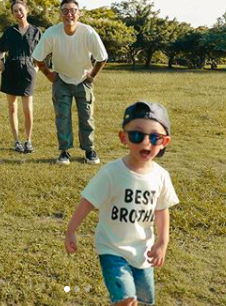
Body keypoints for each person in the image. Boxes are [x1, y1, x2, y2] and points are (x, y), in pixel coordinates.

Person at [64, 101, 179, 306]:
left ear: (165, 142)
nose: (146, 143)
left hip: (142, 252)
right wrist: (71, 230)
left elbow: (161, 210)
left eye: (154, 137)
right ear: (123, 137)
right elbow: (88, 201)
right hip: (112, 248)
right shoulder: (111, 173)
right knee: (126, 300)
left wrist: (163, 241)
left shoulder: (161, 177)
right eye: (137, 135)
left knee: (144, 301)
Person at [32, 0, 108, 165]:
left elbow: (102, 58)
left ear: (78, 14)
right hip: (61, 80)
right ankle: (64, 152)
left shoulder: (88, 32)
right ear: (61, 14)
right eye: (65, 11)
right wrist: (47, 73)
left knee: (87, 116)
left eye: (73, 10)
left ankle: (89, 150)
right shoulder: (52, 32)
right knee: (62, 116)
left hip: (83, 80)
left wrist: (92, 76)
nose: (69, 14)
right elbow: (37, 57)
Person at [0, 0, 41, 153]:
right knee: (12, 108)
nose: (18, 13)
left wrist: (37, 68)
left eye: (20, 10)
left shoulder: (36, 31)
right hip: (11, 70)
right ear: (13, 14)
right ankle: (16, 141)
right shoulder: (9, 31)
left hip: (28, 71)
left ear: (26, 10)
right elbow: (0, 49)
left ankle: (28, 141)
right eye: (15, 11)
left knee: (28, 109)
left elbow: (42, 53)